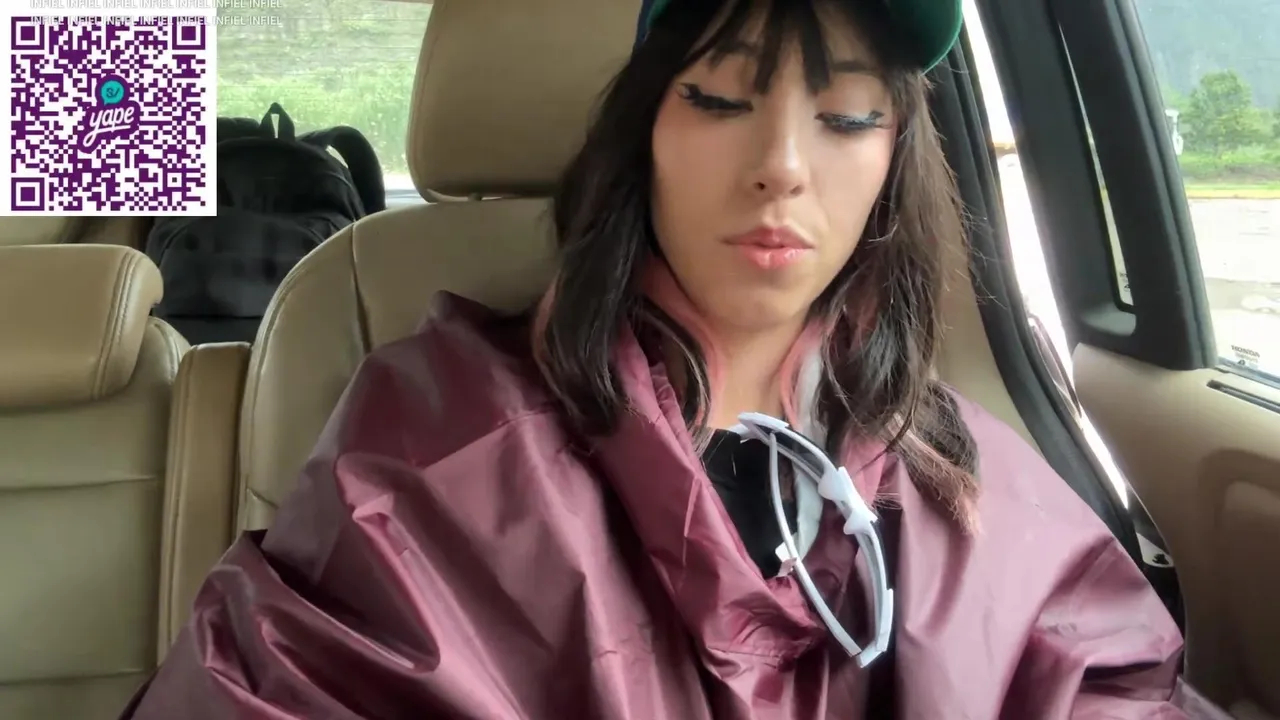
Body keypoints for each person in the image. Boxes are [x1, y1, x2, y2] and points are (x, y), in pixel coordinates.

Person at [120, 0, 1221, 717]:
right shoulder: (436, 438)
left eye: (846, 116)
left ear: (896, 157)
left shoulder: (961, 474)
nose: (781, 164)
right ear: (643, 131)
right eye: (717, 99)